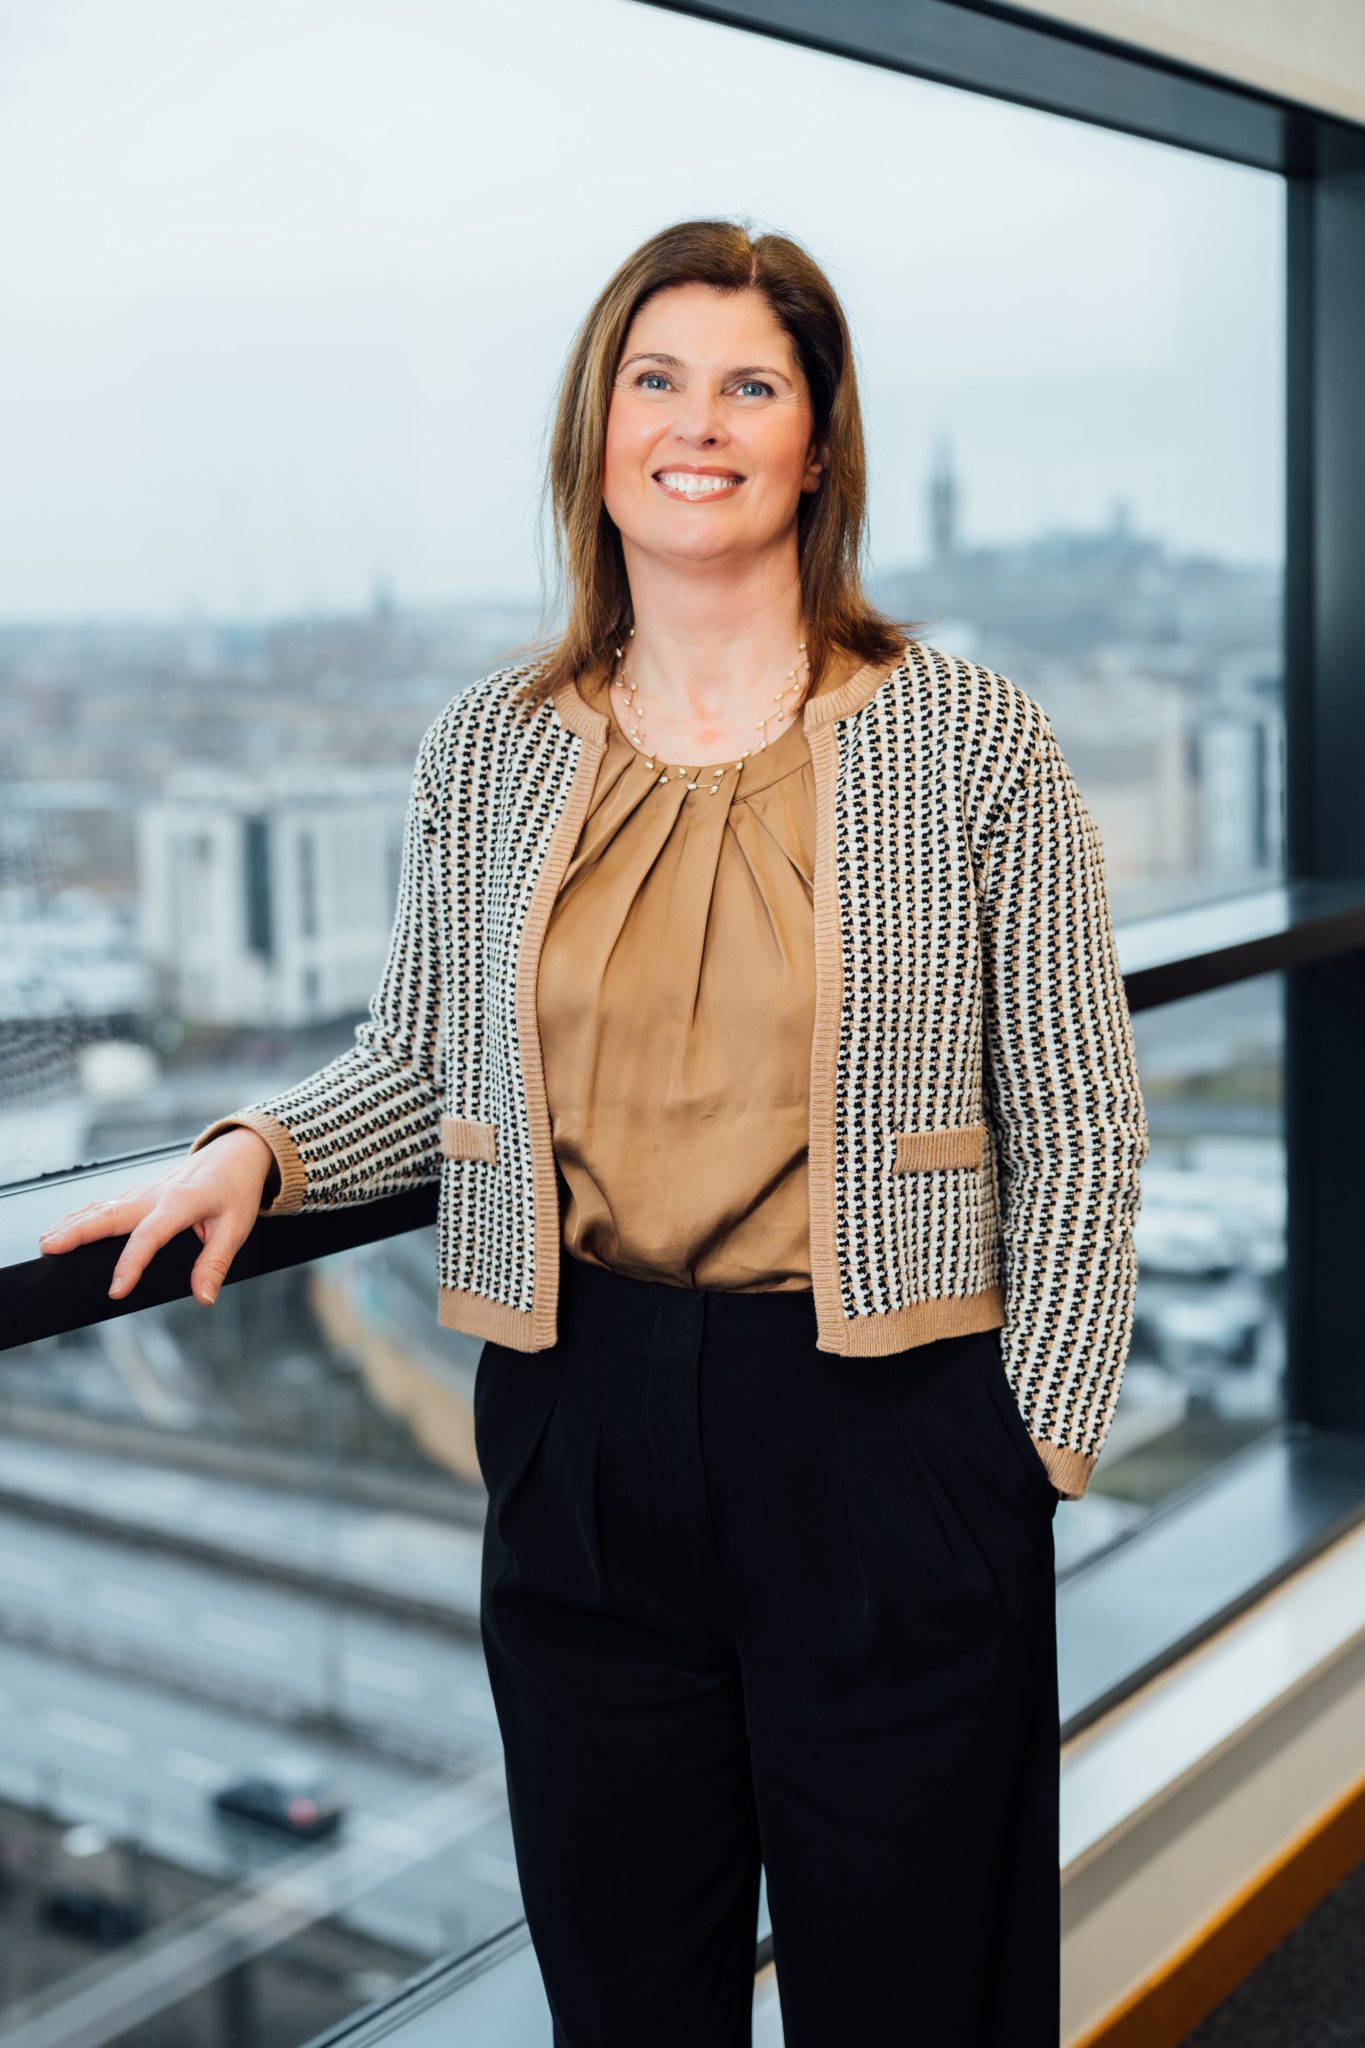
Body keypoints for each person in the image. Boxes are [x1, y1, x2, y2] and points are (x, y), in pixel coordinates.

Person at [39, 217, 1149, 2045]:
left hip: (889, 1441)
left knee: (919, 2006)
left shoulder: (970, 741)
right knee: (629, 2007)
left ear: (816, 439)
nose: (693, 421)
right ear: (597, 430)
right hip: (581, 1437)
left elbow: (1081, 1124)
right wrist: (254, 1149)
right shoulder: (489, 748)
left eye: (747, 382)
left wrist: (1028, 1451)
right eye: (654, 377)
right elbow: (422, 1061)